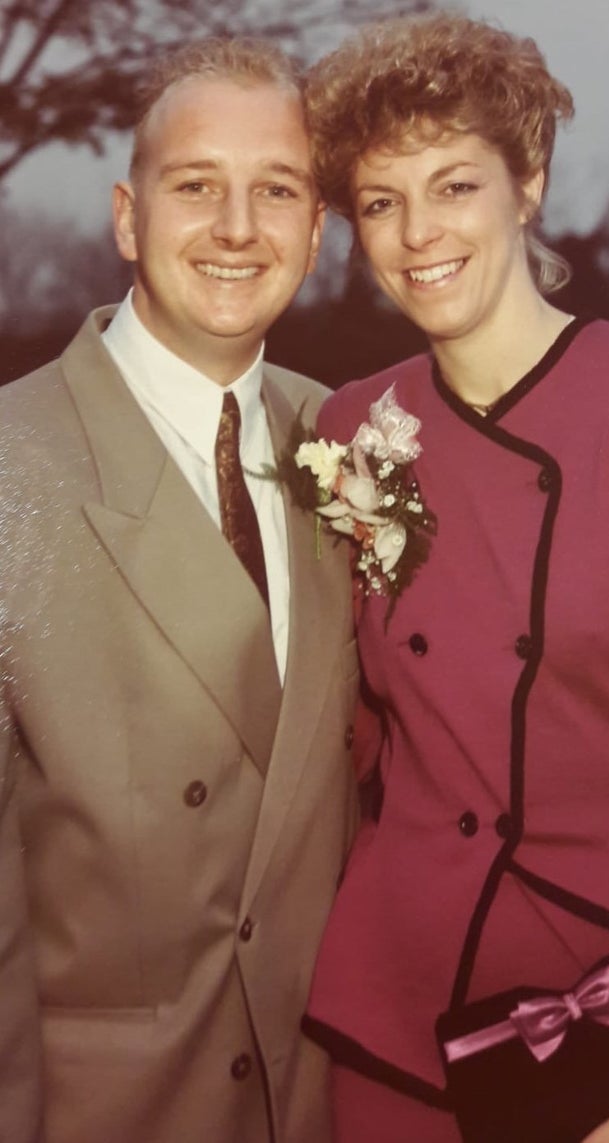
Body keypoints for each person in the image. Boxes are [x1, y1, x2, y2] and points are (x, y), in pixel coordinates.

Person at [301, 13, 609, 1143]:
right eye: (382, 203)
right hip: (393, 1028)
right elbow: (362, 739)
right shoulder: (357, 426)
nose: (416, 234)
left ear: (527, 185)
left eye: (455, 186)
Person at [0, 37, 358, 1143]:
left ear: (315, 229)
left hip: (318, 1105)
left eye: (278, 191)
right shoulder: (11, 465)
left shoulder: (357, 441)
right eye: (196, 186)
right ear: (125, 216)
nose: (239, 228)